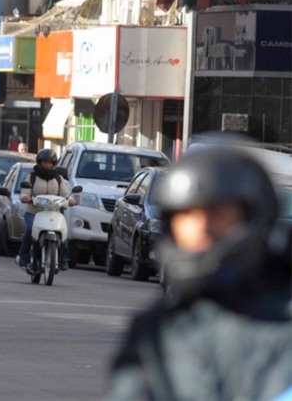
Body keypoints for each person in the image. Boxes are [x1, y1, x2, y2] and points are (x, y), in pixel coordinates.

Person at [107, 147, 292, 400]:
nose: (201, 229)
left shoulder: (282, 324)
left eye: (218, 215)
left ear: (253, 217)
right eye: (187, 216)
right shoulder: (156, 330)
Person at [16, 149, 75, 271]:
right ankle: (23, 256)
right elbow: (25, 192)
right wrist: (26, 197)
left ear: (54, 164)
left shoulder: (59, 179)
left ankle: (63, 259)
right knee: (29, 229)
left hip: (54, 213)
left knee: (63, 232)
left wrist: (70, 200)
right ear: (39, 162)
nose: (47, 165)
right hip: (34, 213)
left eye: (50, 163)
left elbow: (65, 194)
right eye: (45, 162)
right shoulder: (32, 176)